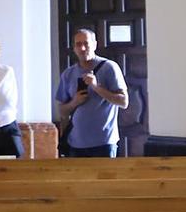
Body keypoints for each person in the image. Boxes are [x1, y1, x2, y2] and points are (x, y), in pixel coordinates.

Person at [54, 28, 129, 157]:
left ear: (94, 44)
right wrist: (74, 102)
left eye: (86, 43)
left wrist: (96, 87)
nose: (82, 48)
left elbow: (123, 102)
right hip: (75, 144)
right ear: (74, 48)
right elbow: (61, 111)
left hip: (104, 143)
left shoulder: (109, 67)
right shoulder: (68, 74)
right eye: (78, 44)